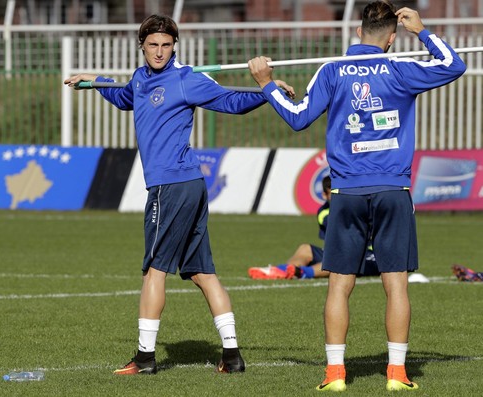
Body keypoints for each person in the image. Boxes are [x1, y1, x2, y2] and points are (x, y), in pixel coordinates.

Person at [248, 2, 466, 392]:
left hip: (346, 192)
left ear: (359, 30)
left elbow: (298, 117)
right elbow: (454, 65)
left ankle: (335, 375)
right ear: (392, 36)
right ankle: (396, 375)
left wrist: (265, 82)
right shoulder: (400, 68)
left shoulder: (332, 69)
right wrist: (424, 32)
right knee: (396, 283)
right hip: (393, 190)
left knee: (339, 285)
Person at [65, 14, 294, 375]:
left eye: (166, 45)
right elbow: (125, 96)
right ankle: (232, 357)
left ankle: (144, 359)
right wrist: (93, 81)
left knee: (154, 271)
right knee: (203, 273)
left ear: (175, 46)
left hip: (174, 187)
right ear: (141, 46)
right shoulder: (141, 79)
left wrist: (267, 90)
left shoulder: (187, 79)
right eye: (153, 45)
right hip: (183, 186)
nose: (159, 51)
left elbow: (231, 102)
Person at [248, 176, 379, 280]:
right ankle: (283, 271)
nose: (337, 197)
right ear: (324, 195)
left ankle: (300, 272)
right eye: (332, 194)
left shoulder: (360, 205)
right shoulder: (324, 213)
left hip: (371, 255)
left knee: (338, 259)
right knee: (305, 249)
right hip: (341, 251)